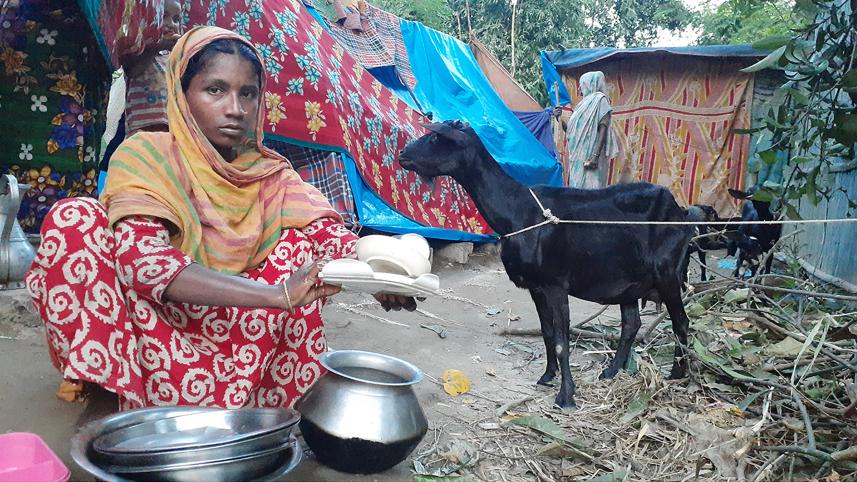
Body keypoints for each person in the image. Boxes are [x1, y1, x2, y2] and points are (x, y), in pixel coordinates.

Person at [25, 26, 415, 410]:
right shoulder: (146, 155)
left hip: (240, 339)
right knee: (75, 219)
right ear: (182, 94)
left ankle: (257, 403)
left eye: (248, 93)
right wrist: (276, 295)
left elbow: (329, 235)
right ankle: (114, 385)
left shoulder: (269, 173)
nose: (235, 109)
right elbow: (143, 264)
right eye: (215, 90)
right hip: (155, 328)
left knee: (299, 246)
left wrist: (380, 274)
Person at [121, 0, 182, 135]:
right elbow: (132, 71)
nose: (171, 24)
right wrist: (157, 46)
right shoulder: (138, 47)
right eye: (164, 16)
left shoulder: (174, 57)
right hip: (141, 128)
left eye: (176, 19)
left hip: (170, 128)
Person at [565, 71, 619, 189]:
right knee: (577, 193)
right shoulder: (581, 106)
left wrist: (595, 157)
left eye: (581, 85)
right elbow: (571, 132)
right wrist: (558, 118)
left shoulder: (600, 100)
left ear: (590, 84)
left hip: (591, 159)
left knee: (592, 192)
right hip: (578, 160)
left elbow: (603, 129)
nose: (579, 89)